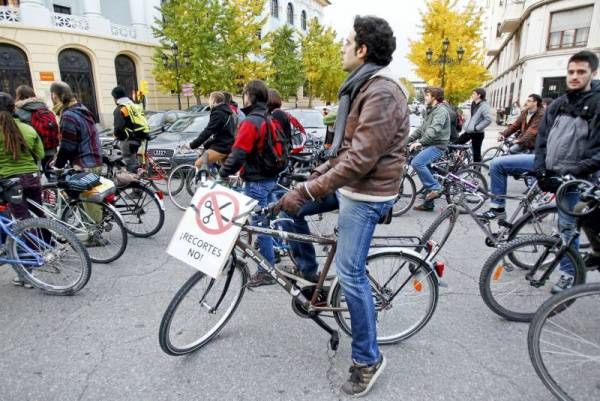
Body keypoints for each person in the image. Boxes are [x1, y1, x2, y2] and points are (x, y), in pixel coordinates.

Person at [278, 15, 408, 397]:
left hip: (366, 194)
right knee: (289, 211)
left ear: (363, 49)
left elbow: (359, 161)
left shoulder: (382, 91)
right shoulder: (361, 87)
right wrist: (310, 179)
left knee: (351, 274)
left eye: (347, 42)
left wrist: (307, 190)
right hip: (353, 185)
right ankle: (312, 280)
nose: (342, 47)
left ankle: (368, 359)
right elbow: (346, 153)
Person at [478, 50, 600, 293]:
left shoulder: (597, 103)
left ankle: (569, 275)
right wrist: (541, 169)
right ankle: (497, 209)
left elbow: (597, 151)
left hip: (576, 176)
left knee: (566, 226)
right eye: (571, 72)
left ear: (593, 73)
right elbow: (542, 139)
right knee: (498, 164)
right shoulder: (559, 103)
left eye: (581, 72)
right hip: (550, 165)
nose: (574, 76)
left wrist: (571, 173)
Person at [219, 80, 285, 288]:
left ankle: (267, 270)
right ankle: (274, 254)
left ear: (250, 96)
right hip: (269, 177)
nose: (243, 97)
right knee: (265, 222)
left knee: (261, 228)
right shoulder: (267, 117)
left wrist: (223, 172)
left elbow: (239, 152)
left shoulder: (251, 121)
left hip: (257, 181)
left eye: (244, 94)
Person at [0, 92, 45, 288]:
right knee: (36, 217)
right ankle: (43, 248)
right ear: (14, 108)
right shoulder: (27, 128)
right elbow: (41, 153)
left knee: (19, 224)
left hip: (10, 183)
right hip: (33, 178)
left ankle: (27, 269)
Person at [50, 81, 104, 232]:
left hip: (83, 162)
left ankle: (93, 235)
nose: (52, 99)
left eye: (52, 95)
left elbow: (68, 145)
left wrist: (58, 164)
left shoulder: (68, 116)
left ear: (56, 96)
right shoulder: (82, 109)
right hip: (94, 159)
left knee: (88, 202)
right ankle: (94, 228)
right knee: (91, 200)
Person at [407, 86, 451, 211]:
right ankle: (428, 204)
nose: (425, 97)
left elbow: (434, 129)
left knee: (417, 162)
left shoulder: (441, 111)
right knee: (423, 166)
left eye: (427, 95)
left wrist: (420, 142)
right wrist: (407, 140)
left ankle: (436, 188)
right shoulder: (430, 110)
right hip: (430, 144)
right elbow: (422, 129)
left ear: (435, 97)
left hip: (438, 145)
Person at [14, 85, 60, 179]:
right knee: (50, 173)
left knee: (34, 176)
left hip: (33, 148)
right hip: (49, 146)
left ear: (19, 96)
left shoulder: (19, 111)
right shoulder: (44, 107)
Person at [184, 91, 235, 169]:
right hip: (227, 146)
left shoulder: (218, 112)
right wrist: (206, 144)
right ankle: (222, 180)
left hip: (221, 148)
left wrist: (192, 145)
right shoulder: (227, 112)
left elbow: (208, 131)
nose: (209, 102)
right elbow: (220, 134)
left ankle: (210, 181)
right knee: (225, 172)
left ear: (214, 100)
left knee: (198, 164)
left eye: (210, 100)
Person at [111, 86, 150, 173]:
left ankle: (136, 184)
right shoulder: (133, 105)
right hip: (139, 137)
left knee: (130, 163)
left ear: (115, 97)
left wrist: (117, 136)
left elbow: (118, 128)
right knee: (133, 159)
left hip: (128, 140)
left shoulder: (121, 108)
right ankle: (138, 175)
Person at [455, 88, 493, 162]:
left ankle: (477, 172)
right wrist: (465, 124)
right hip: (469, 132)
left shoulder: (484, 105)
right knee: (455, 144)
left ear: (479, 95)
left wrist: (477, 128)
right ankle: (454, 163)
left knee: (476, 155)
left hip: (478, 133)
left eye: (474, 94)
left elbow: (488, 119)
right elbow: (471, 117)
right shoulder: (473, 103)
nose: (472, 95)